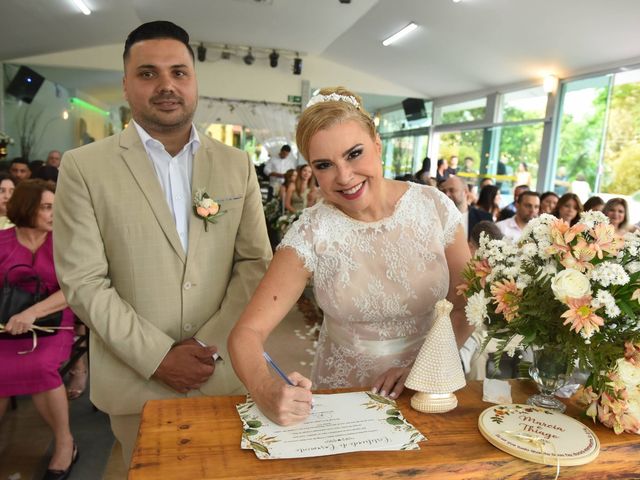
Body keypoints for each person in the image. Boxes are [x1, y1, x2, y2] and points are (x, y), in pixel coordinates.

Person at [53, 21, 272, 465]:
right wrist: (157, 357)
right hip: (137, 378)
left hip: (224, 368)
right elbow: (83, 280)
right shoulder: (84, 167)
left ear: (194, 81)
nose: (166, 85)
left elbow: (254, 262)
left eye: (179, 72)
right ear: (126, 84)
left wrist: (209, 347)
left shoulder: (235, 164)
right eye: (148, 73)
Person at [228, 87, 473, 426]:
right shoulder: (312, 232)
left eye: (354, 154)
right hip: (346, 394)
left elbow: (466, 306)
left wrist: (423, 367)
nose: (344, 177)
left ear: (377, 144)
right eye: (325, 165)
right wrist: (265, 388)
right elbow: (246, 333)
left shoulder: (434, 207)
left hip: (431, 389)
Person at [0, 179, 78, 478]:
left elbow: (75, 288)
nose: (53, 214)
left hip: (53, 322)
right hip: (6, 325)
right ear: (27, 207)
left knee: (41, 365)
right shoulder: (3, 241)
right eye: (47, 207)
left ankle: (64, 442)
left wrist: (31, 313)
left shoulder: (65, 242)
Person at [439, 175, 492, 240]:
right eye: (444, 191)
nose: (447, 194)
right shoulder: (437, 218)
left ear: (465, 191)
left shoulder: (484, 218)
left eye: (451, 190)